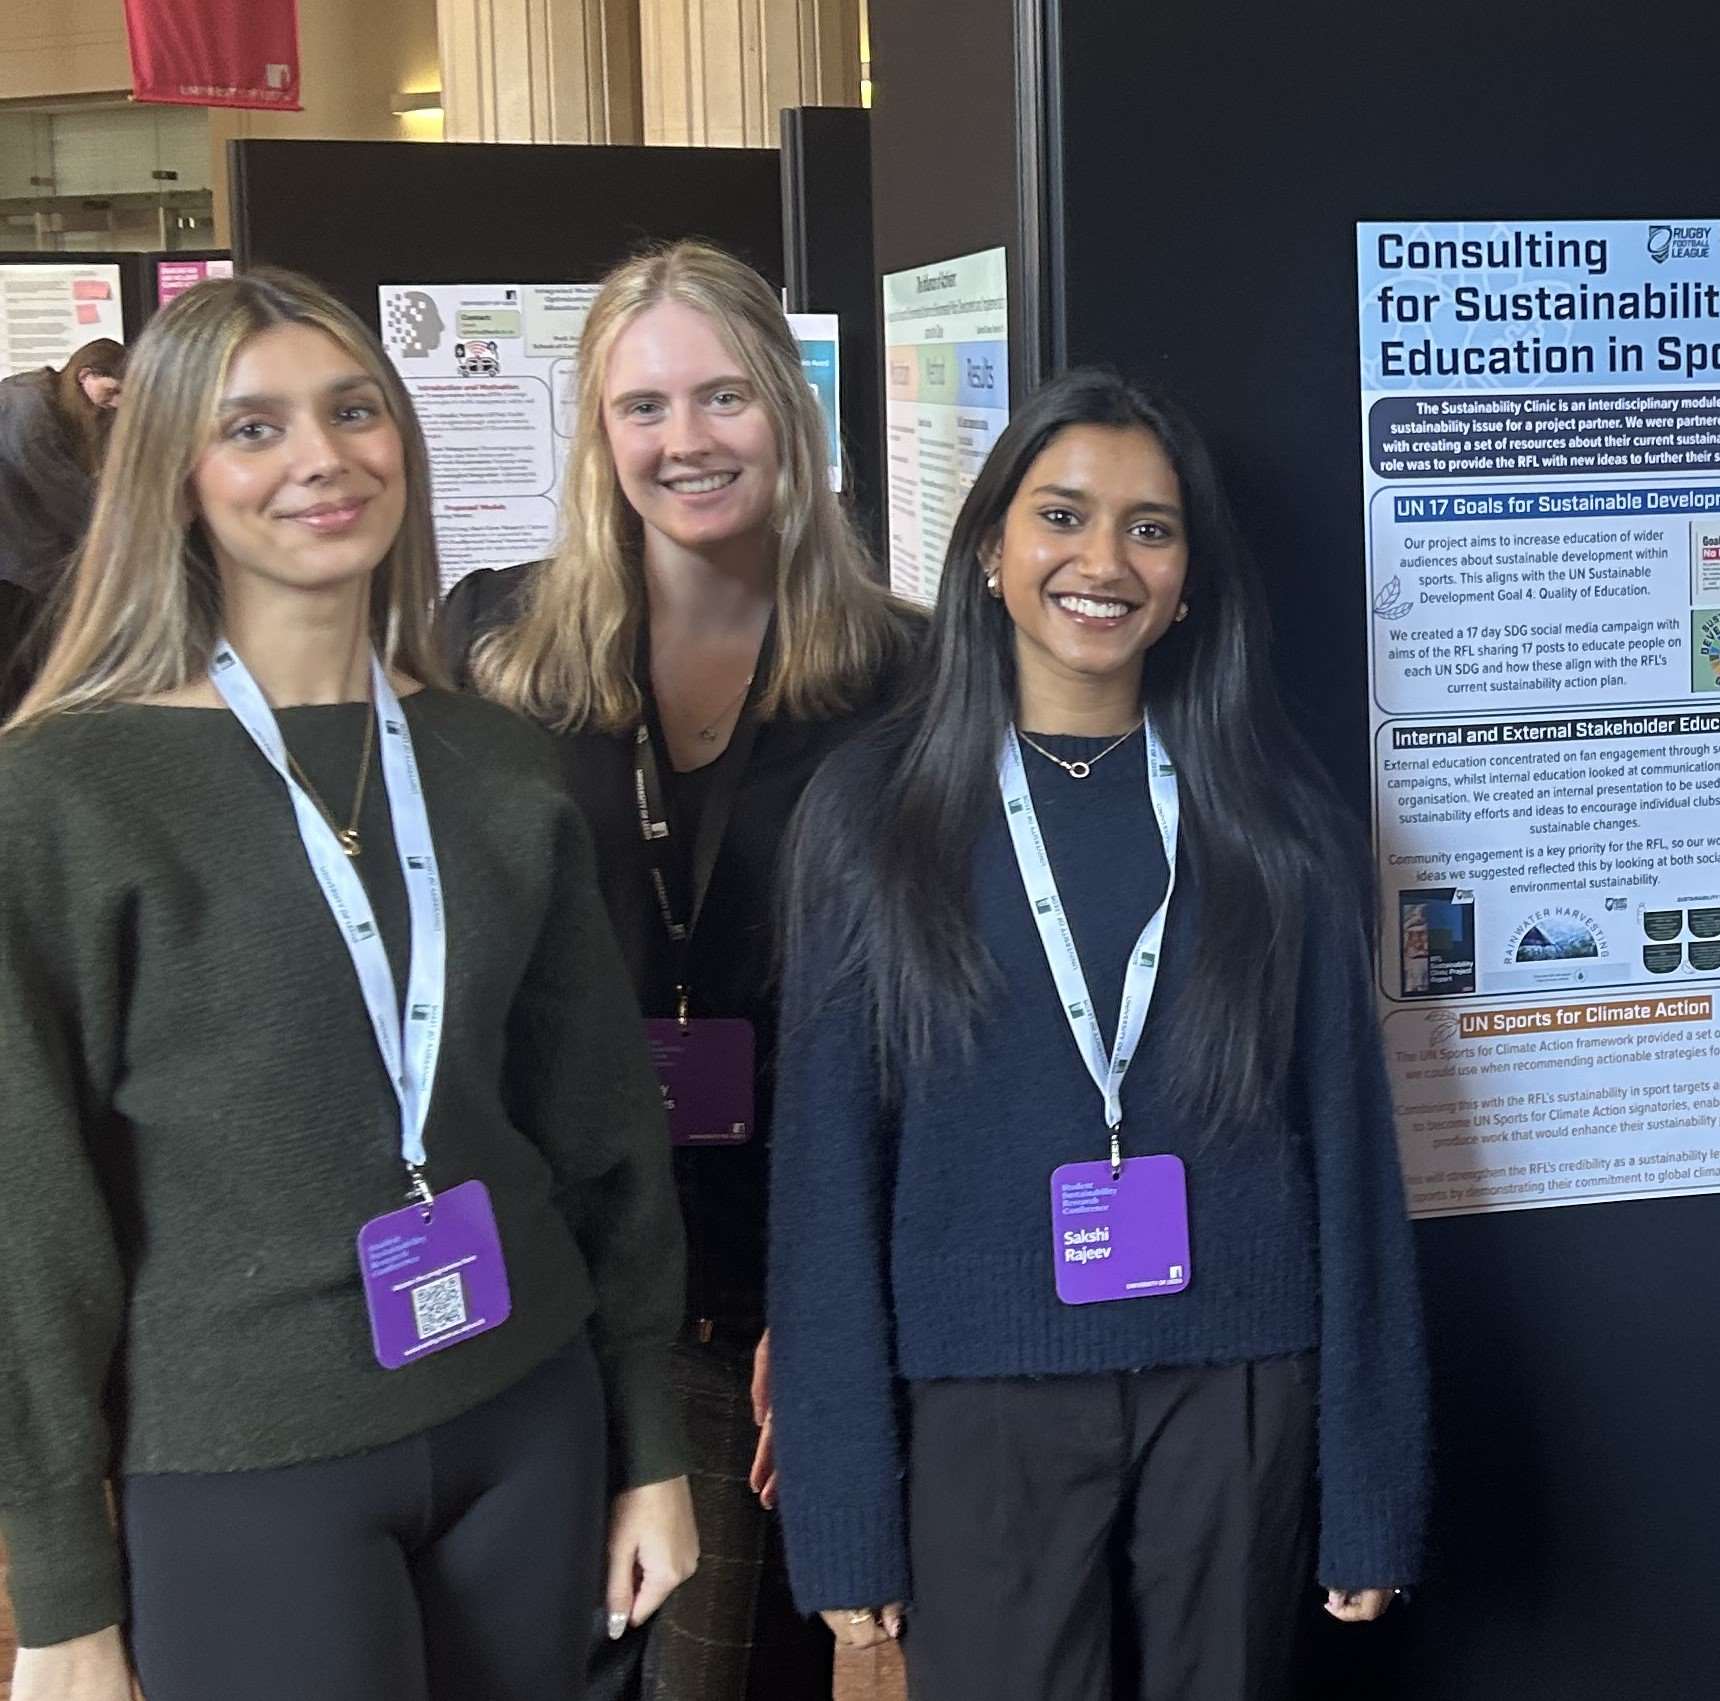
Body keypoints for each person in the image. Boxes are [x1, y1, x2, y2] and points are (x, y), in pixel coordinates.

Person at [0, 270, 696, 1701]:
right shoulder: (67, 793)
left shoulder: (496, 760)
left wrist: (651, 1445)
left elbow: (601, 1129)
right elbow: (31, 1218)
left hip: (529, 1411)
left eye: (355, 411)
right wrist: (62, 1590)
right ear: (174, 476)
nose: (321, 457)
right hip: (247, 1459)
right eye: (253, 428)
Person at [768, 370, 1429, 1699]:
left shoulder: (1275, 820)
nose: (1105, 562)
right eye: (1062, 516)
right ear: (988, 553)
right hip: (979, 1398)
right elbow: (825, 1185)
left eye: (1151, 529)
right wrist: (842, 1514)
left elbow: (1354, 1165)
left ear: (1188, 587)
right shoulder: (874, 816)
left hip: (1238, 1384)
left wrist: (1373, 1486)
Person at [443, 240, 913, 1701]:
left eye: (723, 396)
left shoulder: (905, 676)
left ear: (789, 408)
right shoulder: (490, 645)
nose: (686, 439)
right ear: (599, 432)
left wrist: (835, 1308)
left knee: (735, 1669)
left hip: (773, 1275)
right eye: (643, 405)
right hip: (550, 1271)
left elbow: (919, 1019)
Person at [0, 338, 127, 708]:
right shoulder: (27, 406)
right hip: (14, 565)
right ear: (86, 376)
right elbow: (59, 489)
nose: (116, 402)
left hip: (26, 557)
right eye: (113, 391)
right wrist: (124, 533)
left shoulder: (51, 400)